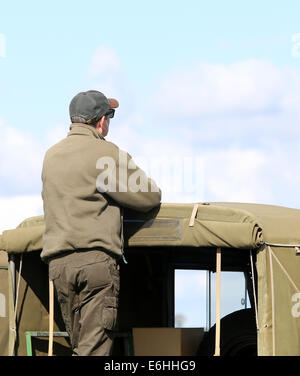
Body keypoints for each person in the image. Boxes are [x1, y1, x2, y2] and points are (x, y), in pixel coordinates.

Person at [40, 90, 161, 356]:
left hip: (58, 266)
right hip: (95, 262)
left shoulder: (51, 156)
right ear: (101, 121)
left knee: (79, 345)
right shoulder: (105, 154)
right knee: (93, 350)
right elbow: (149, 196)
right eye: (110, 115)